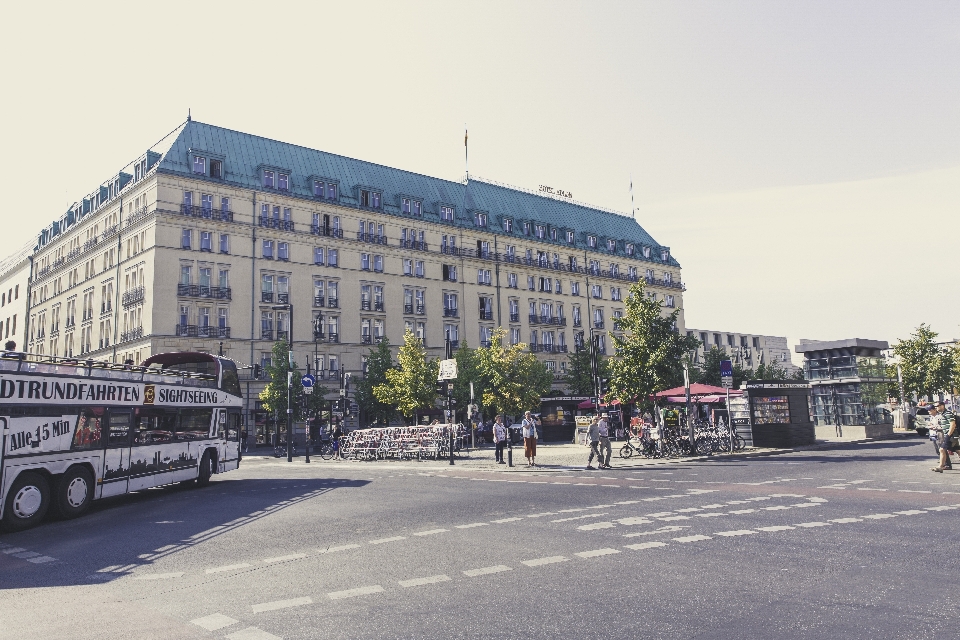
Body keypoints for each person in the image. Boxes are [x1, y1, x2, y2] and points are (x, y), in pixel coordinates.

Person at [931, 401, 956, 472]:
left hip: (951, 436)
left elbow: (953, 424)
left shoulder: (947, 413)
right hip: (951, 435)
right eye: (935, 406)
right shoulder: (943, 414)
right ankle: (943, 466)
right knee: (957, 450)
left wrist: (948, 435)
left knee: (942, 449)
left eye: (937, 406)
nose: (936, 408)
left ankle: (941, 466)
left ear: (942, 406)